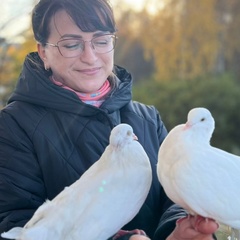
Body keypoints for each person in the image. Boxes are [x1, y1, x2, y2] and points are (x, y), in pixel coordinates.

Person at [0, 0, 218, 239]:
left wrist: (180, 229)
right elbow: (15, 222)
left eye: (102, 41)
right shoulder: (14, 125)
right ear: (44, 52)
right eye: (71, 44)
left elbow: (175, 194)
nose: (90, 57)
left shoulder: (147, 119)